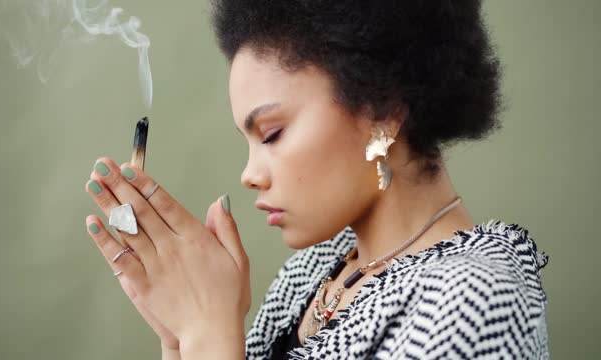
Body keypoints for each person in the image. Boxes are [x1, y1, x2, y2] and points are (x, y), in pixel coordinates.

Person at [84, 0, 550, 359]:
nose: (249, 175)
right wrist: (180, 334)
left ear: (381, 110)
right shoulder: (315, 270)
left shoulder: (475, 298)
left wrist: (209, 332)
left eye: (272, 133)